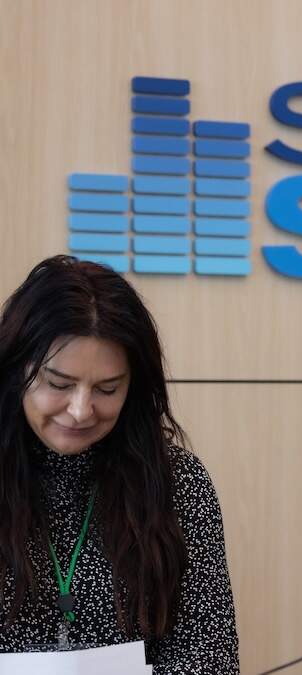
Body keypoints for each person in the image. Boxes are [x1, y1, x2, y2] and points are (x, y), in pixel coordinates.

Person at [0, 256, 238, 672]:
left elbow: (209, 654)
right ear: (17, 370)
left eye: (107, 389)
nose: (80, 410)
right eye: (58, 384)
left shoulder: (177, 482)